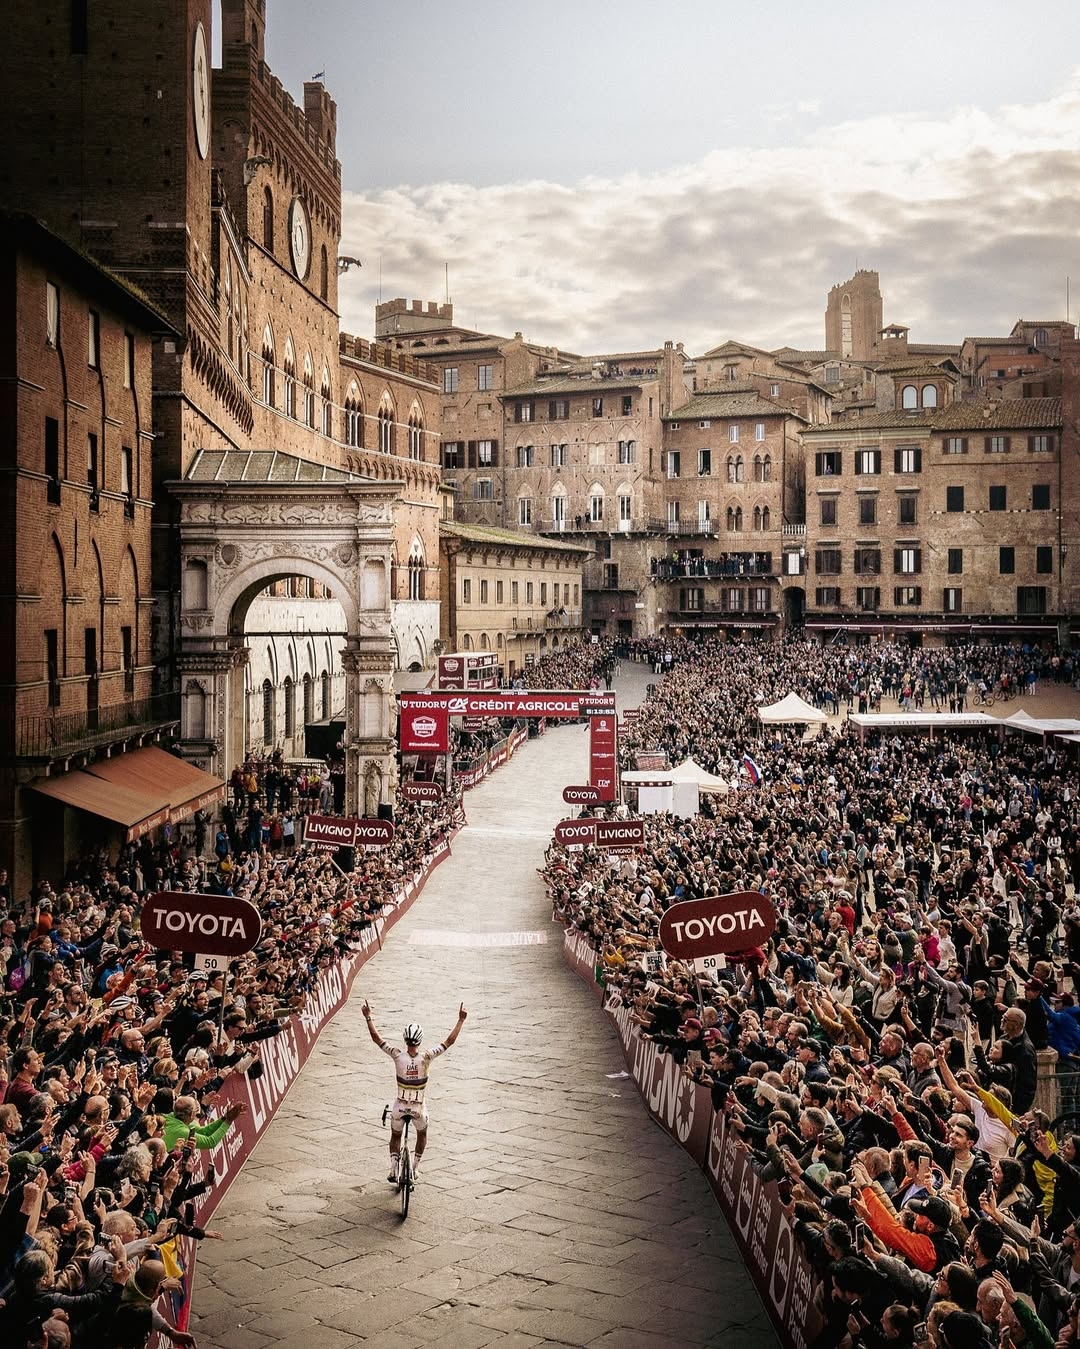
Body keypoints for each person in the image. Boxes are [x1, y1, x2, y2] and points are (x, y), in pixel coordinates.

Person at [361, 999, 466, 1183]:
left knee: (395, 1135)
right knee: (422, 1134)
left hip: (399, 1106)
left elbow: (377, 1039)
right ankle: (415, 1169)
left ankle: (393, 1170)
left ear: (405, 1039)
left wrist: (368, 1017)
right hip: (418, 1108)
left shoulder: (396, 1055)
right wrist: (461, 1020)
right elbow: (449, 1042)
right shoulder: (427, 1057)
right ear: (420, 1039)